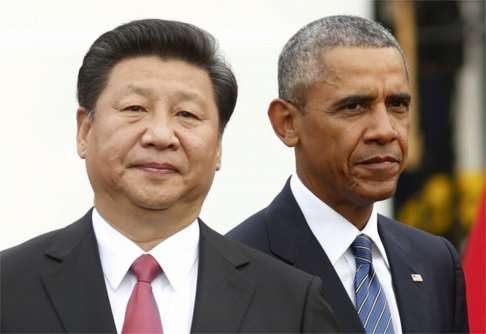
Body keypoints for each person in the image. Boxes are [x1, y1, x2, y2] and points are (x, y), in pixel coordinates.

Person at [0, 19, 338, 333]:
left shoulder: (291, 303)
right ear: (85, 131)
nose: (160, 135)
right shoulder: (9, 286)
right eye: (135, 109)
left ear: (218, 146)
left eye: (186, 114)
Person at [228, 15, 468, 334]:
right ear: (287, 123)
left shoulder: (435, 261)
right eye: (354, 107)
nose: (385, 130)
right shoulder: (234, 271)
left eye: (398, 105)